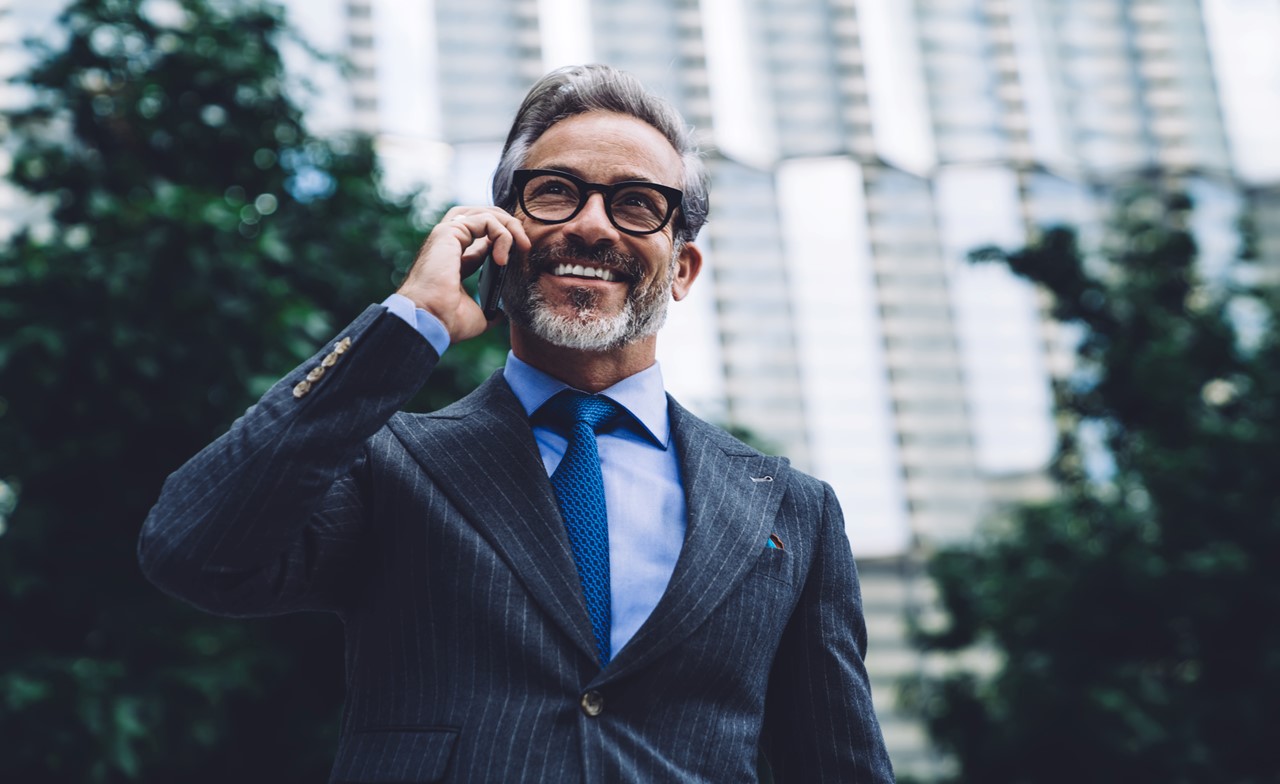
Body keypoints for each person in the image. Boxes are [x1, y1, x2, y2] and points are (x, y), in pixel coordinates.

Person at [139, 64, 895, 783]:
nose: (594, 226)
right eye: (557, 192)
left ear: (684, 267)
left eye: (636, 203)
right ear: (501, 233)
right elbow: (194, 550)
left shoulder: (793, 510)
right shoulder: (391, 465)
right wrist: (411, 323)